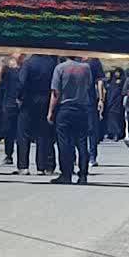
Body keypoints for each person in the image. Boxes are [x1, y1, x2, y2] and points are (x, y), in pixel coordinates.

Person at [48, 55, 93, 185]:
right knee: (82, 142)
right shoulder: (86, 68)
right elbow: (89, 86)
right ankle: (83, 174)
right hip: (82, 108)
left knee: (64, 143)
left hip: (65, 108)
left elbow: (56, 92)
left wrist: (50, 111)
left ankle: (66, 174)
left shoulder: (60, 68)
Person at [15, 53, 60, 175]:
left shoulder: (28, 63)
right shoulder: (51, 64)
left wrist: (19, 97)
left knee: (23, 134)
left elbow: (21, 82)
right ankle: (41, 166)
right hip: (45, 100)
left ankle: (23, 166)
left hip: (29, 100)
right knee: (42, 134)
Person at [0, 53, 21, 166]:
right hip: (8, 103)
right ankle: (8, 154)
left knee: (21, 133)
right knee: (8, 131)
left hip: (21, 104)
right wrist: (1, 68)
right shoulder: (7, 70)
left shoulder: (25, 68)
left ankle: (22, 159)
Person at [84, 56, 105, 167]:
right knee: (90, 129)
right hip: (85, 99)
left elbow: (100, 81)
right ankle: (88, 156)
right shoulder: (93, 60)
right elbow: (100, 81)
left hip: (88, 99)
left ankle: (90, 156)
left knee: (90, 129)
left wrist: (101, 99)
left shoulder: (94, 61)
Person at [104, 67, 125, 141]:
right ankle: (111, 133)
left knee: (116, 119)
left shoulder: (121, 81)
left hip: (117, 103)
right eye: (116, 72)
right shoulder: (111, 82)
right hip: (110, 102)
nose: (117, 74)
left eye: (118, 72)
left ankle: (117, 134)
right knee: (110, 118)